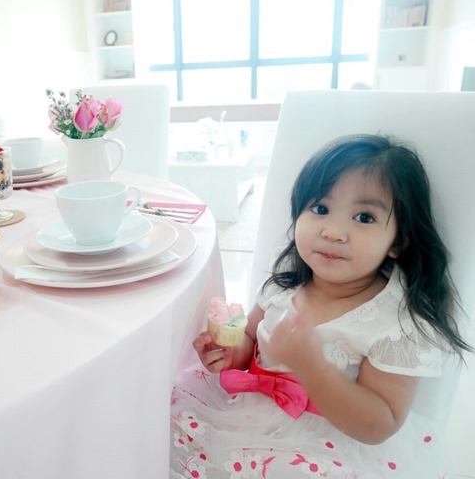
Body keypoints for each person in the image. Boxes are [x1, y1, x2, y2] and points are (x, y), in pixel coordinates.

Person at [170, 134, 473, 478]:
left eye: (364, 217)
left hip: (326, 448)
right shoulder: (288, 277)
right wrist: (231, 352)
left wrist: (312, 368)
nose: (333, 231)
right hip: (243, 418)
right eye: (321, 209)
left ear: (398, 241)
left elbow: (380, 424)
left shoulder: (396, 323)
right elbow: (252, 338)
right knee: (162, 419)